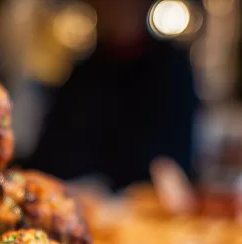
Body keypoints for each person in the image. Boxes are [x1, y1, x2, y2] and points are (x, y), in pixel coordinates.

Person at [27, 0, 199, 190]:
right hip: (75, 198)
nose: (117, 6)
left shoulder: (171, 69)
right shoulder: (84, 72)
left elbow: (174, 158)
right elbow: (50, 151)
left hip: (142, 204)